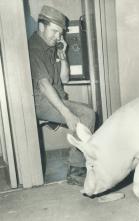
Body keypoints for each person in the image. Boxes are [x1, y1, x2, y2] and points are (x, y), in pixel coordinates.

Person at [28, 5, 96, 186]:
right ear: (41, 27)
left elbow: (64, 77)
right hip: (41, 101)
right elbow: (43, 85)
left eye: (60, 33)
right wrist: (67, 114)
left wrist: (63, 55)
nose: (58, 36)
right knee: (87, 115)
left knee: (88, 111)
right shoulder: (34, 48)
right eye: (55, 31)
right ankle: (76, 169)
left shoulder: (51, 47)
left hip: (55, 97)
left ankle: (78, 163)